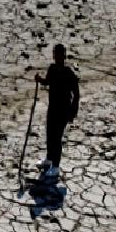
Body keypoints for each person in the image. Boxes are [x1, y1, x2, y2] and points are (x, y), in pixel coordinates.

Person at [36, 43, 79, 179]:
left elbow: (76, 94)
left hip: (63, 110)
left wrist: (73, 112)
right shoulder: (52, 69)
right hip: (52, 108)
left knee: (57, 138)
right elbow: (47, 82)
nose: (57, 57)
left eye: (59, 54)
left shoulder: (69, 73)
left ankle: (56, 166)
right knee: (50, 134)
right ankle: (49, 159)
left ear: (64, 55)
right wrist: (39, 80)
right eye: (55, 54)